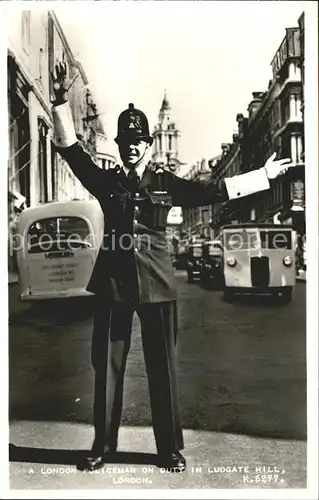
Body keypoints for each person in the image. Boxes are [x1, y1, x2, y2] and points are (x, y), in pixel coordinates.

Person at [50, 62, 293, 473]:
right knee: (106, 366)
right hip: (112, 283)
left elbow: (213, 190)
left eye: (137, 140)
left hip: (158, 284)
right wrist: (58, 105)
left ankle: (169, 449)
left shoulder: (165, 182)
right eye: (125, 140)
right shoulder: (107, 180)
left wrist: (263, 177)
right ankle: (101, 447)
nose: (130, 146)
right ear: (120, 143)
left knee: (162, 368)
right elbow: (73, 153)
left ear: (148, 144)